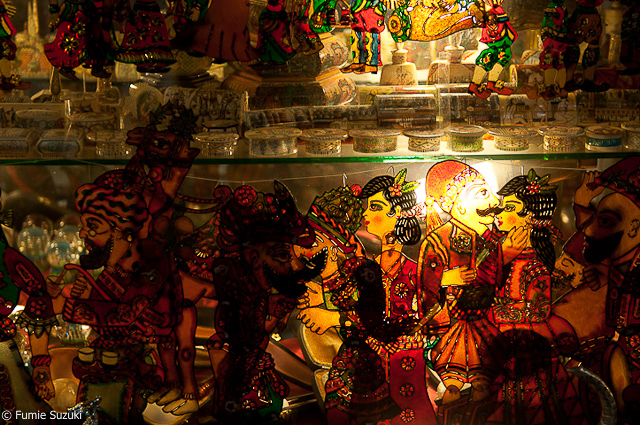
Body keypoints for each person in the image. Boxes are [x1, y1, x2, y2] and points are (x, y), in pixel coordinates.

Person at [63, 170, 182, 423]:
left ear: (118, 230)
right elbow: (95, 316)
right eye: (84, 226)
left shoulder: (150, 261)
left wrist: (77, 305)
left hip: (143, 364)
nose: (82, 234)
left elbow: (124, 315)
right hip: (109, 357)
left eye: (92, 227)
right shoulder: (112, 267)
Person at [207, 181, 326, 424]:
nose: (294, 266)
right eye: (283, 256)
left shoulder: (264, 295)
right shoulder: (238, 298)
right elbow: (246, 337)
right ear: (253, 258)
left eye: (293, 256)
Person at [419, 160, 526, 407]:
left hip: (484, 319)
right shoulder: (439, 240)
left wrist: (504, 257)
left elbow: (496, 282)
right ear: (459, 205)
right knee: (454, 371)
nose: (494, 202)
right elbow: (426, 286)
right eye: (483, 194)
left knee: (484, 375)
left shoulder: (493, 238)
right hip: (452, 322)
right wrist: (446, 279)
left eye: (490, 193)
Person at [487, 170, 584, 424]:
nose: (499, 214)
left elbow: (539, 311)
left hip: (529, 353)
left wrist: (493, 311)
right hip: (507, 349)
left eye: (509, 208)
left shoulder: (534, 266)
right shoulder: (507, 258)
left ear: (530, 217)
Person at [356, 169, 438, 424]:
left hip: (407, 357)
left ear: (398, 214)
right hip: (373, 356)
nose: (366, 214)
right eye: (367, 207)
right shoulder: (365, 270)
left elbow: (431, 310)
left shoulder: (414, 270)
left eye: (375, 207)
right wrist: (374, 341)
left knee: (411, 409)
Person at [468, 0, 518, 98]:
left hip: (495, 36)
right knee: (499, 55)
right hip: (497, 37)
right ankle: (485, 83)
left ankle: (479, 84)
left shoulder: (494, 10)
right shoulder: (493, 10)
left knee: (490, 56)